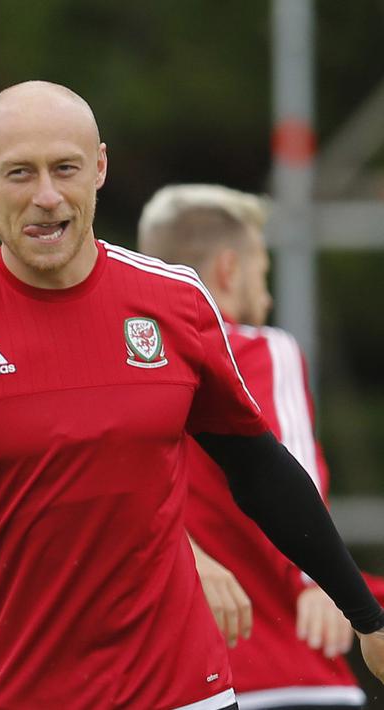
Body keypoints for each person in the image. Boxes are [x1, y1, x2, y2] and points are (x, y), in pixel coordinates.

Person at [0, 81, 384, 710]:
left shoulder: (175, 301)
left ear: (100, 168)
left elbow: (260, 469)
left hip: (185, 690)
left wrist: (366, 614)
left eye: (65, 169)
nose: (47, 197)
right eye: (19, 174)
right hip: (23, 692)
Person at [140, 183, 384, 710]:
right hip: (290, 668)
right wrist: (316, 583)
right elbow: (293, 473)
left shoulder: (128, 371)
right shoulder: (260, 349)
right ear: (229, 269)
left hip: (176, 681)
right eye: (263, 273)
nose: (268, 296)